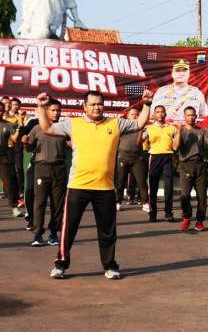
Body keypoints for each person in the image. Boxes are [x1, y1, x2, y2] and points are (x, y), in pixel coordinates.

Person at [36, 89, 152, 280]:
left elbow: (139, 123)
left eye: (99, 104)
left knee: (107, 231)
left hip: (105, 188)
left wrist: (146, 104)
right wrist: (41, 106)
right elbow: (47, 128)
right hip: (77, 186)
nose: (96, 107)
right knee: (68, 229)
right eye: (92, 104)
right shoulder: (74, 124)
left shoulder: (115, 123)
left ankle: (110, 266)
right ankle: (60, 264)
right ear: (85, 107)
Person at [25, 99, 68, 247]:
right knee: (40, 202)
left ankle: (54, 234)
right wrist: (25, 142)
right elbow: (29, 148)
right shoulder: (37, 128)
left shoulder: (65, 128)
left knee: (58, 204)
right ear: (46, 111)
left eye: (58, 110)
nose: (56, 113)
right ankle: (37, 234)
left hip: (60, 169)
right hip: (41, 168)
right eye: (53, 110)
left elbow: (73, 144)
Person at [174, 106, 208, 232]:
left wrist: (205, 144)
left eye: (193, 115)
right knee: (184, 194)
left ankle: (199, 221)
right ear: (184, 117)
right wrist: (178, 132)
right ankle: (187, 217)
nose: (191, 117)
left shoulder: (202, 131)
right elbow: (175, 147)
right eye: (188, 115)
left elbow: (207, 148)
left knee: (202, 196)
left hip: (200, 165)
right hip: (185, 165)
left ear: (196, 116)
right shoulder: (181, 131)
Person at [144, 105, 178, 223]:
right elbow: (143, 144)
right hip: (154, 157)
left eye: (163, 112)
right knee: (153, 187)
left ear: (165, 114)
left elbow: (176, 145)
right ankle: (152, 213)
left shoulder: (172, 128)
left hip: (168, 157)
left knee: (169, 187)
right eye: (158, 112)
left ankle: (168, 213)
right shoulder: (148, 128)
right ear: (154, 114)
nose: (161, 114)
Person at [150, 59, 208, 125]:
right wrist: (164, 113)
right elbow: (151, 116)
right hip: (166, 132)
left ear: (189, 73)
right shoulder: (161, 92)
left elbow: (204, 117)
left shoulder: (197, 93)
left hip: (189, 133)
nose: (181, 73)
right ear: (172, 73)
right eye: (178, 70)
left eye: (184, 70)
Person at [114, 108, 149, 211]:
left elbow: (140, 141)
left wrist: (142, 131)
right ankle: (118, 202)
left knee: (142, 181)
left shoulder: (142, 127)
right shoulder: (121, 127)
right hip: (123, 157)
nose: (134, 116)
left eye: (136, 114)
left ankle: (145, 202)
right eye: (132, 114)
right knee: (120, 182)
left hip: (137, 158)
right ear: (128, 116)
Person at [4, 98, 28, 207]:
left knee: (18, 169)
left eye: (17, 105)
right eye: (13, 104)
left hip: (17, 146)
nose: (15, 106)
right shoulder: (5, 116)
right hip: (6, 145)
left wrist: (21, 118)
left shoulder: (23, 116)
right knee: (8, 170)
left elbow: (23, 130)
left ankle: (21, 191)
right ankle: (8, 192)